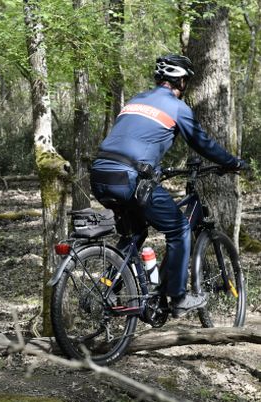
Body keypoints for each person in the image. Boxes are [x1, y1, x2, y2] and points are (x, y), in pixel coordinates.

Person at [90, 54, 247, 318]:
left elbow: (134, 138)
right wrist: (233, 163)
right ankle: (178, 297)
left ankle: (110, 286)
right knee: (179, 228)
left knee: (136, 231)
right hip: (129, 178)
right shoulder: (176, 107)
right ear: (181, 81)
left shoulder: (135, 100)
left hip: (100, 175)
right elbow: (202, 143)